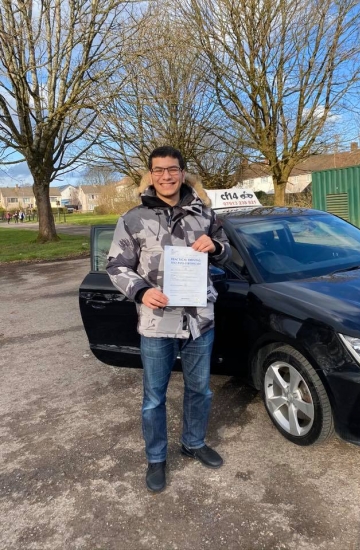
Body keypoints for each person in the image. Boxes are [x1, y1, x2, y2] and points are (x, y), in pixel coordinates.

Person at [107, 146, 231, 493]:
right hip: (156, 322)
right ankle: (157, 458)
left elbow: (226, 251)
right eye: (158, 170)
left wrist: (216, 248)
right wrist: (141, 292)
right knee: (154, 397)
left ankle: (193, 443)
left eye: (172, 169)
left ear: (182, 172)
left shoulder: (204, 215)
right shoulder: (133, 219)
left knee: (199, 390)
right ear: (150, 175)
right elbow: (115, 266)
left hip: (199, 321)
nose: (166, 176)